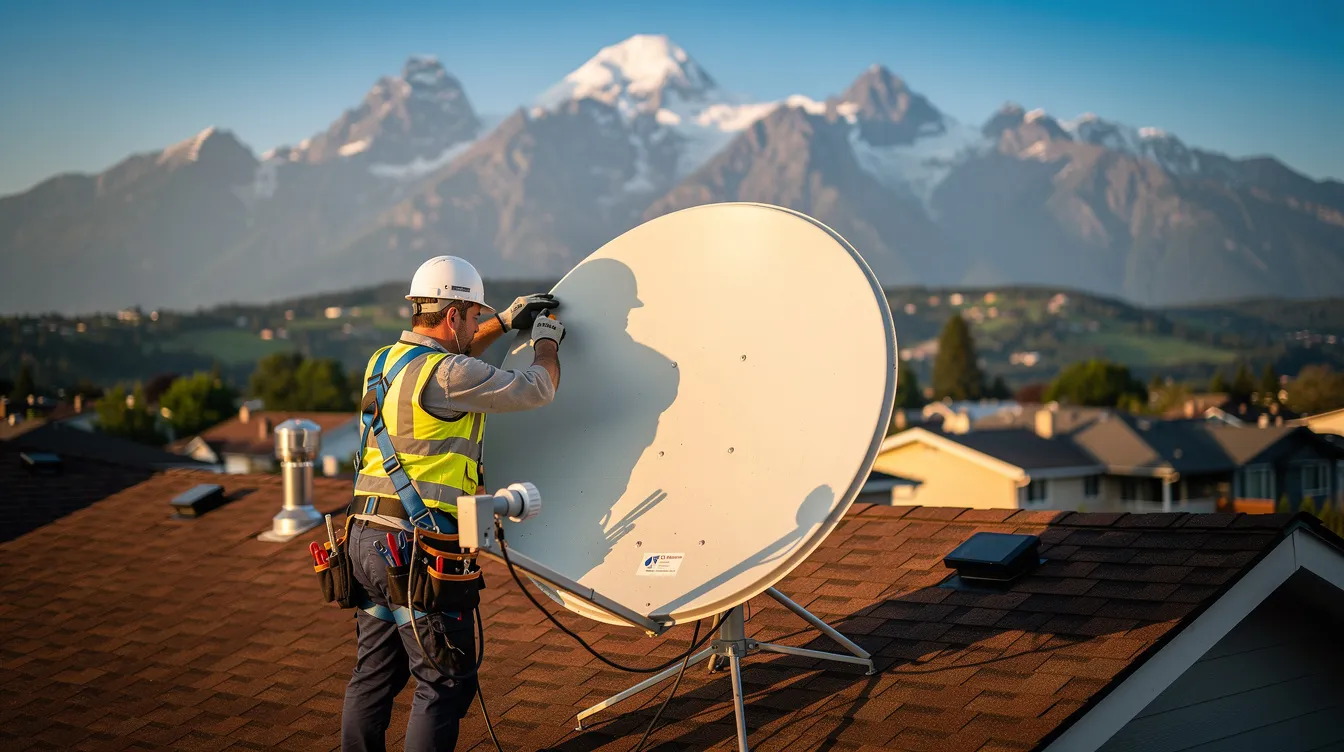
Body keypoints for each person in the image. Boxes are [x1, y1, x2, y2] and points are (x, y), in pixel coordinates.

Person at [340, 255, 565, 751]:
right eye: (473, 315)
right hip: (414, 550)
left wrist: (504, 323)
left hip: (364, 540)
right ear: (453, 316)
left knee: (373, 676)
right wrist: (546, 339)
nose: (475, 324)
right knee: (444, 681)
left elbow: (448, 359)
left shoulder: (383, 362)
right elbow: (538, 388)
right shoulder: (448, 375)